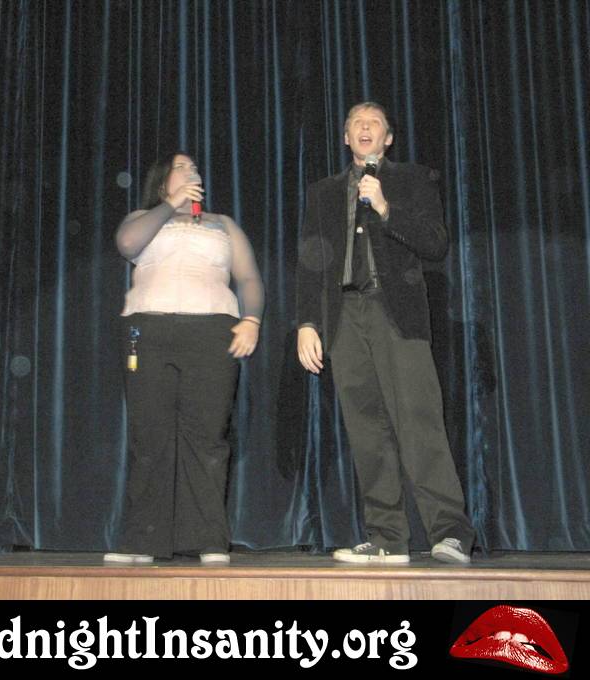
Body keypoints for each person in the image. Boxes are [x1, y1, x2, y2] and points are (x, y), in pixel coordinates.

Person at [296, 102, 474, 564]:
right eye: (356, 122)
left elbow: (435, 243)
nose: (365, 127)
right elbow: (311, 263)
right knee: (366, 431)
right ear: (345, 137)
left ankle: (450, 532)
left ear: (388, 138)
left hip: (396, 313)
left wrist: (385, 207)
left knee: (419, 422)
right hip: (344, 318)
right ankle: (386, 537)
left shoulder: (412, 179)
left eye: (374, 122)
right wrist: (307, 323)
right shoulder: (323, 193)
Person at [105, 152, 264, 565]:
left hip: (211, 331)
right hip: (147, 330)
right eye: (180, 166)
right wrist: (171, 204)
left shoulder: (222, 224)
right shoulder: (143, 217)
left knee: (207, 437)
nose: (190, 169)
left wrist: (251, 320)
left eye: (194, 166)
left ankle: (208, 540)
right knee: (150, 436)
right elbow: (127, 244)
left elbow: (248, 276)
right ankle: (142, 541)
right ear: (163, 181)